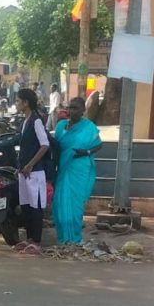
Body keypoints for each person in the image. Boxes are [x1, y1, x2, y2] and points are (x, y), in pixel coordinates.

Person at [52, 97, 102, 244]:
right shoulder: (61, 126)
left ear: (83, 110)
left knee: (75, 204)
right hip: (62, 168)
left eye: (75, 108)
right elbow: (55, 147)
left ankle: (74, 238)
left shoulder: (89, 127)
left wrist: (86, 152)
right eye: (69, 108)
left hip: (79, 167)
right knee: (59, 203)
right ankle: (63, 239)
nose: (71, 111)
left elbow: (99, 144)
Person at [14, 88, 51, 254]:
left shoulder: (36, 120)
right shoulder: (25, 121)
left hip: (34, 172)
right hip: (24, 171)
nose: (16, 103)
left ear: (25, 102)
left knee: (35, 206)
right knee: (27, 206)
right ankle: (29, 238)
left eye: (17, 100)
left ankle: (36, 240)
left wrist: (30, 164)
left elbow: (45, 145)